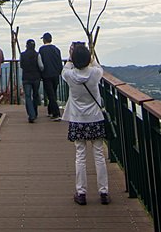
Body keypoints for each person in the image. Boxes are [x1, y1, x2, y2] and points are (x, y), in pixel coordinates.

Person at [61, 42, 109, 205]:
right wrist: (92, 55)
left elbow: (66, 68)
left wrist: (70, 55)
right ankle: (104, 192)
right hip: (95, 118)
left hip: (77, 119)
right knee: (99, 156)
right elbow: (97, 66)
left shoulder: (69, 75)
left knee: (80, 156)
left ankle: (81, 193)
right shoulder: (95, 73)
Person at [39, 32, 63, 120]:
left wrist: (41, 74)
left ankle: (56, 114)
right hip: (56, 74)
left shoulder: (41, 50)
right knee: (53, 93)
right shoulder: (56, 49)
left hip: (46, 75)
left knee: (51, 95)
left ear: (44, 40)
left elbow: (40, 63)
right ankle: (50, 111)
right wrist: (59, 72)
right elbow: (59, 63)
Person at [19, 38, 42, 123]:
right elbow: (41, 66)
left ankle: (31, 115)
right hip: (36, 78)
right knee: (35, 95)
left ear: (26, 46)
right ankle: (35, 113)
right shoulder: (37, 54)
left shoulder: (22, 55)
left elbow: (21, 65)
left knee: (28, 96)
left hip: (26, 78)